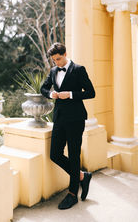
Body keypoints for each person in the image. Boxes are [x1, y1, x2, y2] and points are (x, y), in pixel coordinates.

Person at [40, 42, 95, 210]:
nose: (56, 63)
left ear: (65, 54)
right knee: (55, 154)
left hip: (76, 119)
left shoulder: (79, 69)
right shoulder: (54, 71)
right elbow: (43, 88)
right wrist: (51, 94)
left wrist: (70, 94)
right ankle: (81, 176)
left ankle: (72, 195)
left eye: (58, 59)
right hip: (59, 118)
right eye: (54, 60)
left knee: (73, 155)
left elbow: (91, 92)